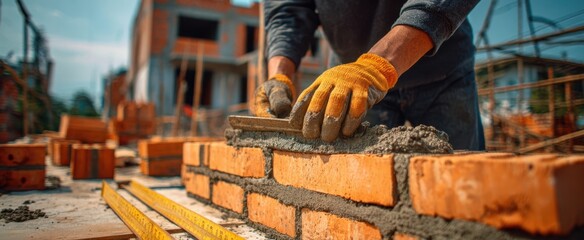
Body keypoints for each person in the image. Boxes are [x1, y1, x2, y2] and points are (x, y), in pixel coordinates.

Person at [253, 0, 485, 150]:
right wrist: (279, 75)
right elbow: (288, 8)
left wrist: (378, 65)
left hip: (441, 69)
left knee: (464, 187)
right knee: (356, 189)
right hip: (350, 84)